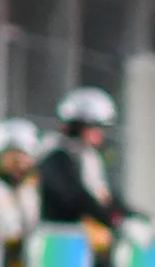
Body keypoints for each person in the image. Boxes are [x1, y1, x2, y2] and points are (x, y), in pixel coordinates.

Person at [36, 86, 122, 248]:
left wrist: (126, 215)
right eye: (95, 127)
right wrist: (112, 218)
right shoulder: (55, 155)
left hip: (75, 242)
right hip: (56, 241)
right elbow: (74, 197)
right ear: (77, 126)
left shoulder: (87, 156)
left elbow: (102, 197)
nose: (100, 133)